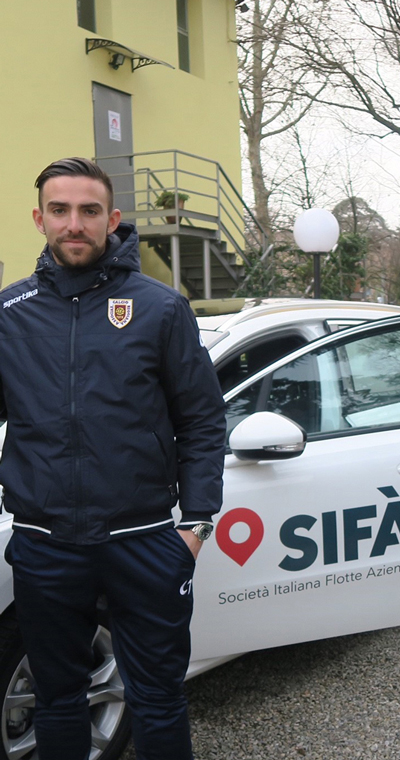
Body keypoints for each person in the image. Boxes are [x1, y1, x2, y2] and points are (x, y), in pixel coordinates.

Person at [0, 157, 226, 760]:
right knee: (58, 701)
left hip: (145, 542)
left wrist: (197, 526)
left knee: (157, 700)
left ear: (113, 219)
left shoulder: (160, 308)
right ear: (39, 219)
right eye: (61, 210)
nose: (75, 223)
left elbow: (202, 421)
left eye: (89, 211)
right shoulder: (8, 316)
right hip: (45, 546)